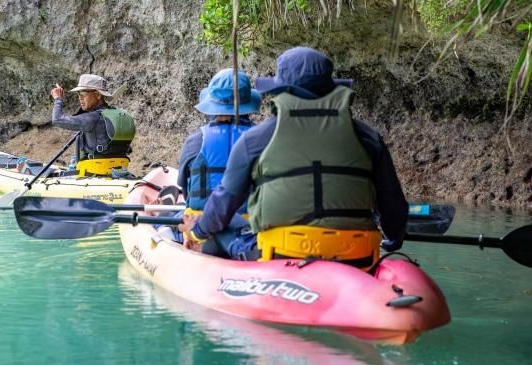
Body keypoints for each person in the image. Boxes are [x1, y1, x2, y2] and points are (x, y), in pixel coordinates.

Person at [178, 46, 409, 262]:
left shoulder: (256, 139)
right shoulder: (368, 137)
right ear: (331, 88)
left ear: (282, 90)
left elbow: (223, 204)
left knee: (220, 225)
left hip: (284, 253)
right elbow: (394, 205)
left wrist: (197, 231)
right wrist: (393, 239)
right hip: (357, 254)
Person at [160, 68, 260, 249]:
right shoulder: (263, 139)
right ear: (247, 105)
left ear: (212, 106)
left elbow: (186, 191)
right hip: (251, 230)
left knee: (161, 220)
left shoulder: (195, 141)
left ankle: (169, 239)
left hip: (199, 227)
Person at [49, 74, 135, 175]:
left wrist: (58, 99)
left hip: (93, 173)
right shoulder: (118, 115)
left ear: (98, 95)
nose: (80, 97)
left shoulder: (92, 118)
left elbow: (57, 119)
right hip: (119, 171)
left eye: (83, 93)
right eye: (78, 93)